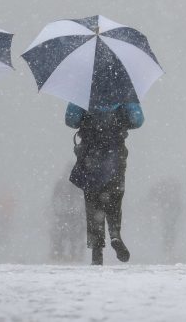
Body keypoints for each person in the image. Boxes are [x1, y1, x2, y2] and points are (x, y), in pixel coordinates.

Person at [66, 100, 144, 265]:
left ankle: (97, 249)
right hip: (115, 152)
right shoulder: (124, 91)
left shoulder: (83, 90)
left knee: (92, 199)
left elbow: (71, 119)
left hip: (90, 153)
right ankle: (115, 234)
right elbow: (138, 120)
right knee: (115, 196)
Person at [49, 166, 85, 262]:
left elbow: (55, 198)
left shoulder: (63, 184)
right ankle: (72, 254)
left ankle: (62, 254)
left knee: (65, 234)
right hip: (69, 213)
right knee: (73, 234)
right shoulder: (76, 183)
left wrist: (58, 210)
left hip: (66, 213)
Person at [147, 176, 184, 262]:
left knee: (169, 228)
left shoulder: (164, 190)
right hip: (171, 210)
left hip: (170, 210)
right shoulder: (172, 191)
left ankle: (167, 247)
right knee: (169, 228)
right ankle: (168, 248)